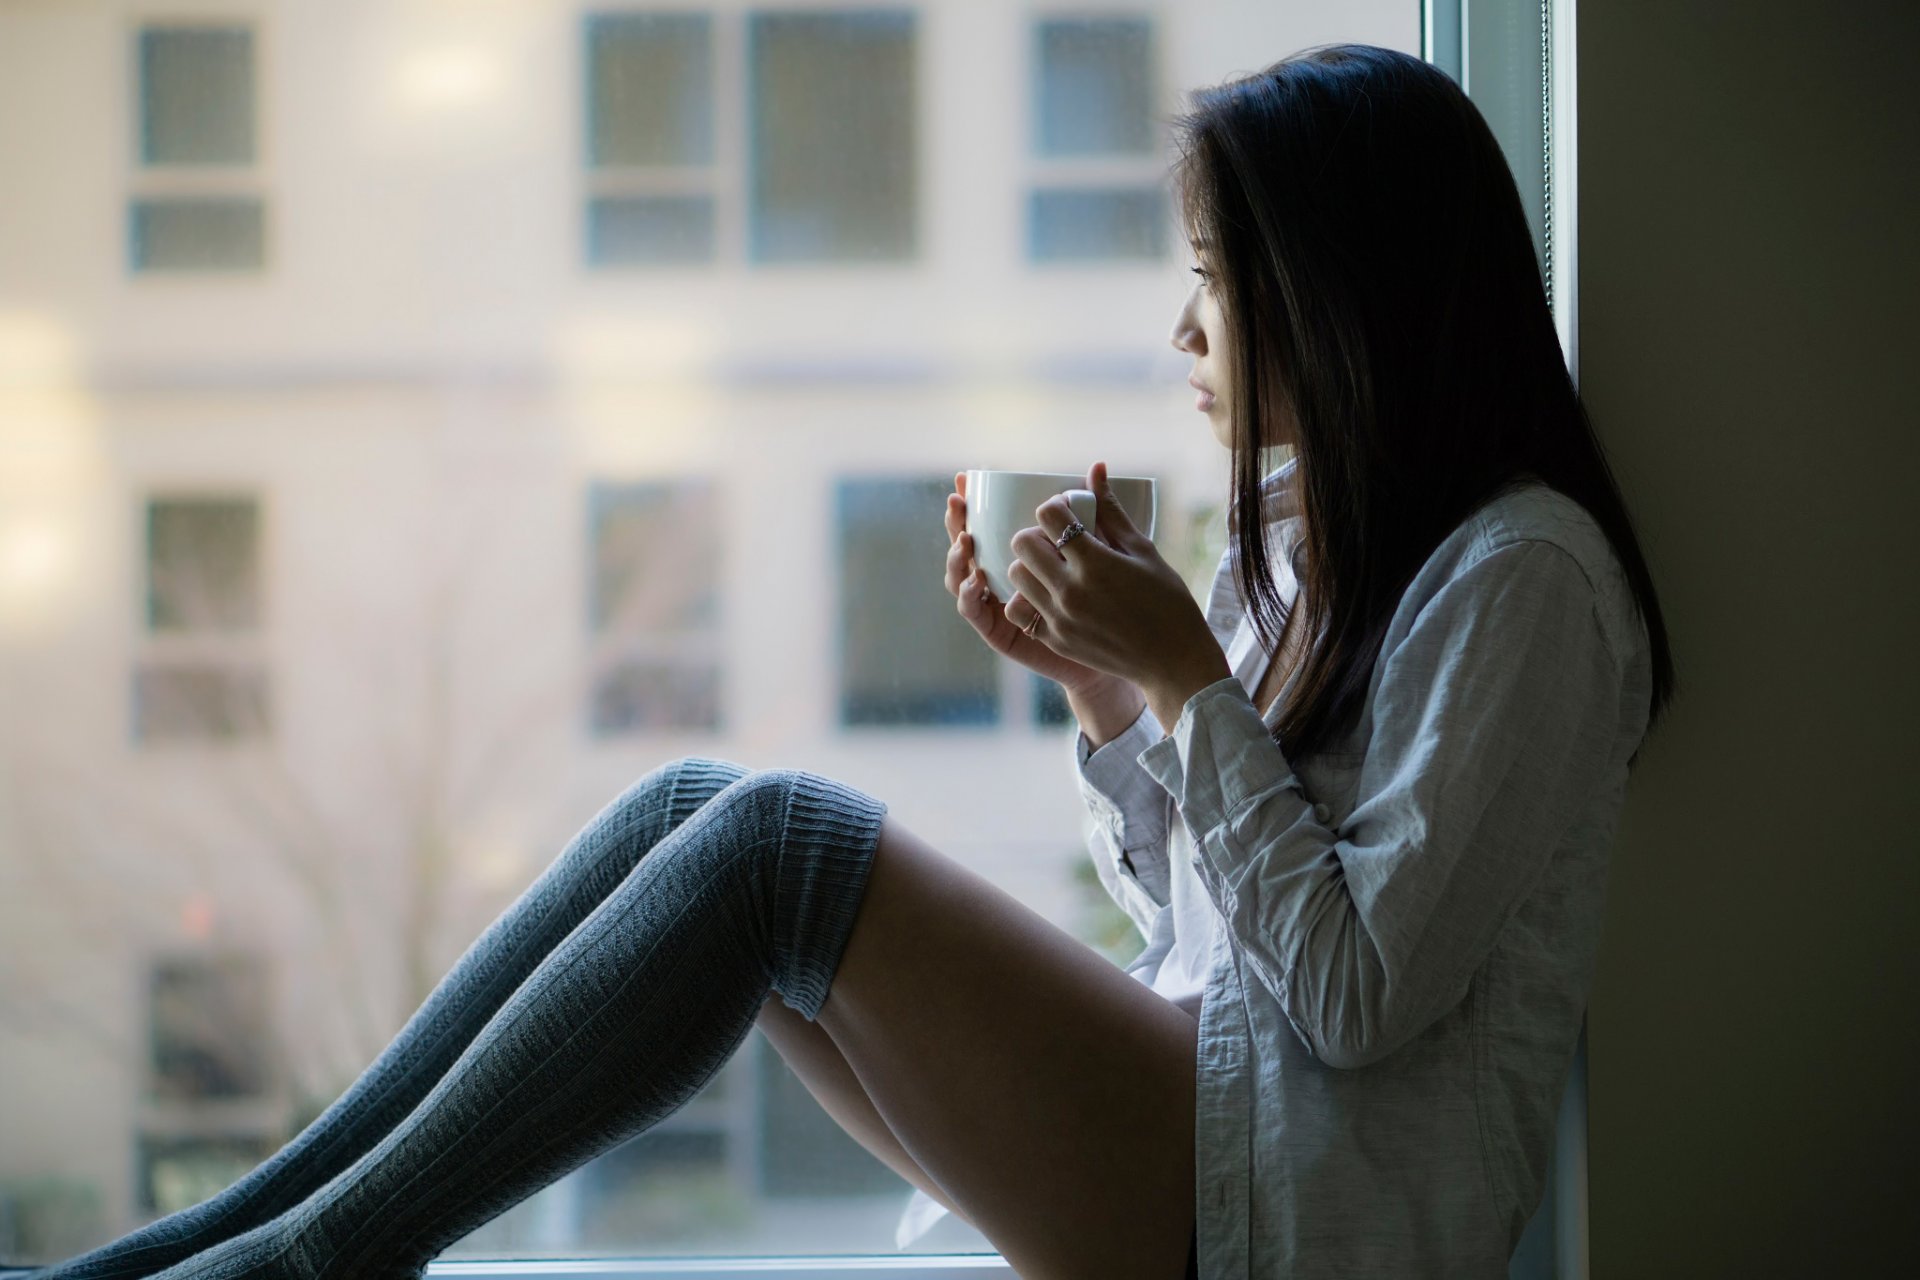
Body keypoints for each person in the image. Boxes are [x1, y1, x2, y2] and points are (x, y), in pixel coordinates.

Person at [32, 41, 1673, 1280]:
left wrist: (1188, 687)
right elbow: (1219, 927)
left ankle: (284, 1272)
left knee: (778, 854)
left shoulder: (1523, 577)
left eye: (1218, 285)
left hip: (1295, 1216)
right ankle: (197, 1252)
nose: (1187, 335)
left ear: (1346, 302)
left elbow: (1356, 1000)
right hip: (1215, 1133)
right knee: (695, 804)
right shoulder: (1324, 541)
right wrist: (1107, 695)